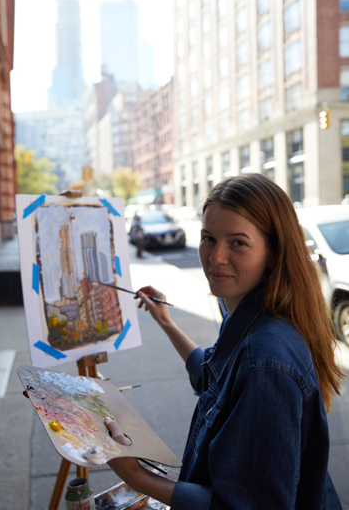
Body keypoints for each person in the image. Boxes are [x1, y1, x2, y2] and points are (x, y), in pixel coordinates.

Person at [108, 173, 344, 508]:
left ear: (274, 252)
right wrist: (167, 323)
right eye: (208, 238)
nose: (215, 257)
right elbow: (212, 378)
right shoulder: (246, 313)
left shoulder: (264, 358)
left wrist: (140, 478)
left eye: (238, 242)